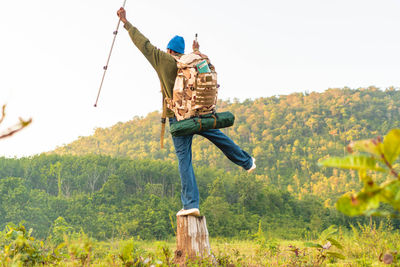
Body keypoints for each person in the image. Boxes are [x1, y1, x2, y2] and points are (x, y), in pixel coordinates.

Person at [117, 7, 256, 217]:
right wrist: (196, 50)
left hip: (179, 120)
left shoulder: (163, 61)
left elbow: (143, 44)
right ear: (183, 53)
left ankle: (191, 203)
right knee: (220, 138)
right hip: (200, 114)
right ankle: (247, 162)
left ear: (169, 51)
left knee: (184, 160)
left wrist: (126, 23)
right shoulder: (192, 63)